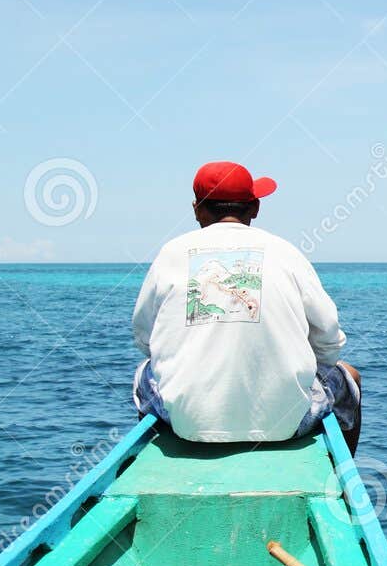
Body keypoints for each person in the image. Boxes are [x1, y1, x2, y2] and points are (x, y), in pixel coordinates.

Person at [132, 161, 361, 453]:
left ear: (196, 209)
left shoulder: (171, 253)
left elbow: (145, 339)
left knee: (143, 373)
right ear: (254, 208)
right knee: (350, 376)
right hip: (285, 425)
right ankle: (346, 476)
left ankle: (145, 459)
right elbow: (329, 340)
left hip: (188, 426)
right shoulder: (287, 252)